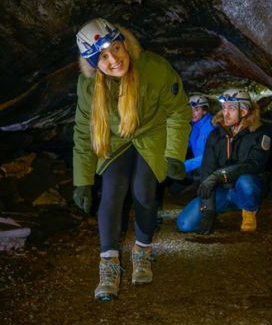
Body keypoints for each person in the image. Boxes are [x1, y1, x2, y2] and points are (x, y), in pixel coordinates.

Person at [72, 17, 190, 301]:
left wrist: (173, 154)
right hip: (114, 141)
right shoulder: (88, 87)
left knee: (143, 192)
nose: (113, 59)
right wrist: (83, 181)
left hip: (150, 135)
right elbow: (83, 131)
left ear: (124, 43)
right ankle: (109, 265)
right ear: (93, 63)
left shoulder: (155, 69)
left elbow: (179, 111)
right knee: (112, 193)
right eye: (102, 56)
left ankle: (143, 250)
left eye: (115, 48)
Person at [176, 89, 272, 235]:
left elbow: (254, 164)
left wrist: (220, 175)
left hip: (244, 188)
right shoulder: (215, 135)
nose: (225, 113)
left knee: (246, 181)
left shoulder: (259, 133)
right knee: (185, 224)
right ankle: (221, 208)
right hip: (223, 190)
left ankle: (249, 211)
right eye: (224, 108)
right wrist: (208, 210)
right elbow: (207, 170)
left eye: (231, 109)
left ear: (244, 112)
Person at [184, 95, 214, 177]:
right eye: (190, 109)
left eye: (196, 110)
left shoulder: (211, 126)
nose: (192, 113)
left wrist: (183, 166)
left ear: (204, 111)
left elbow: (208, 155)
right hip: (198, 166)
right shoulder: (195, 125)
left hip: (210, 170)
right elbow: (189, 143)